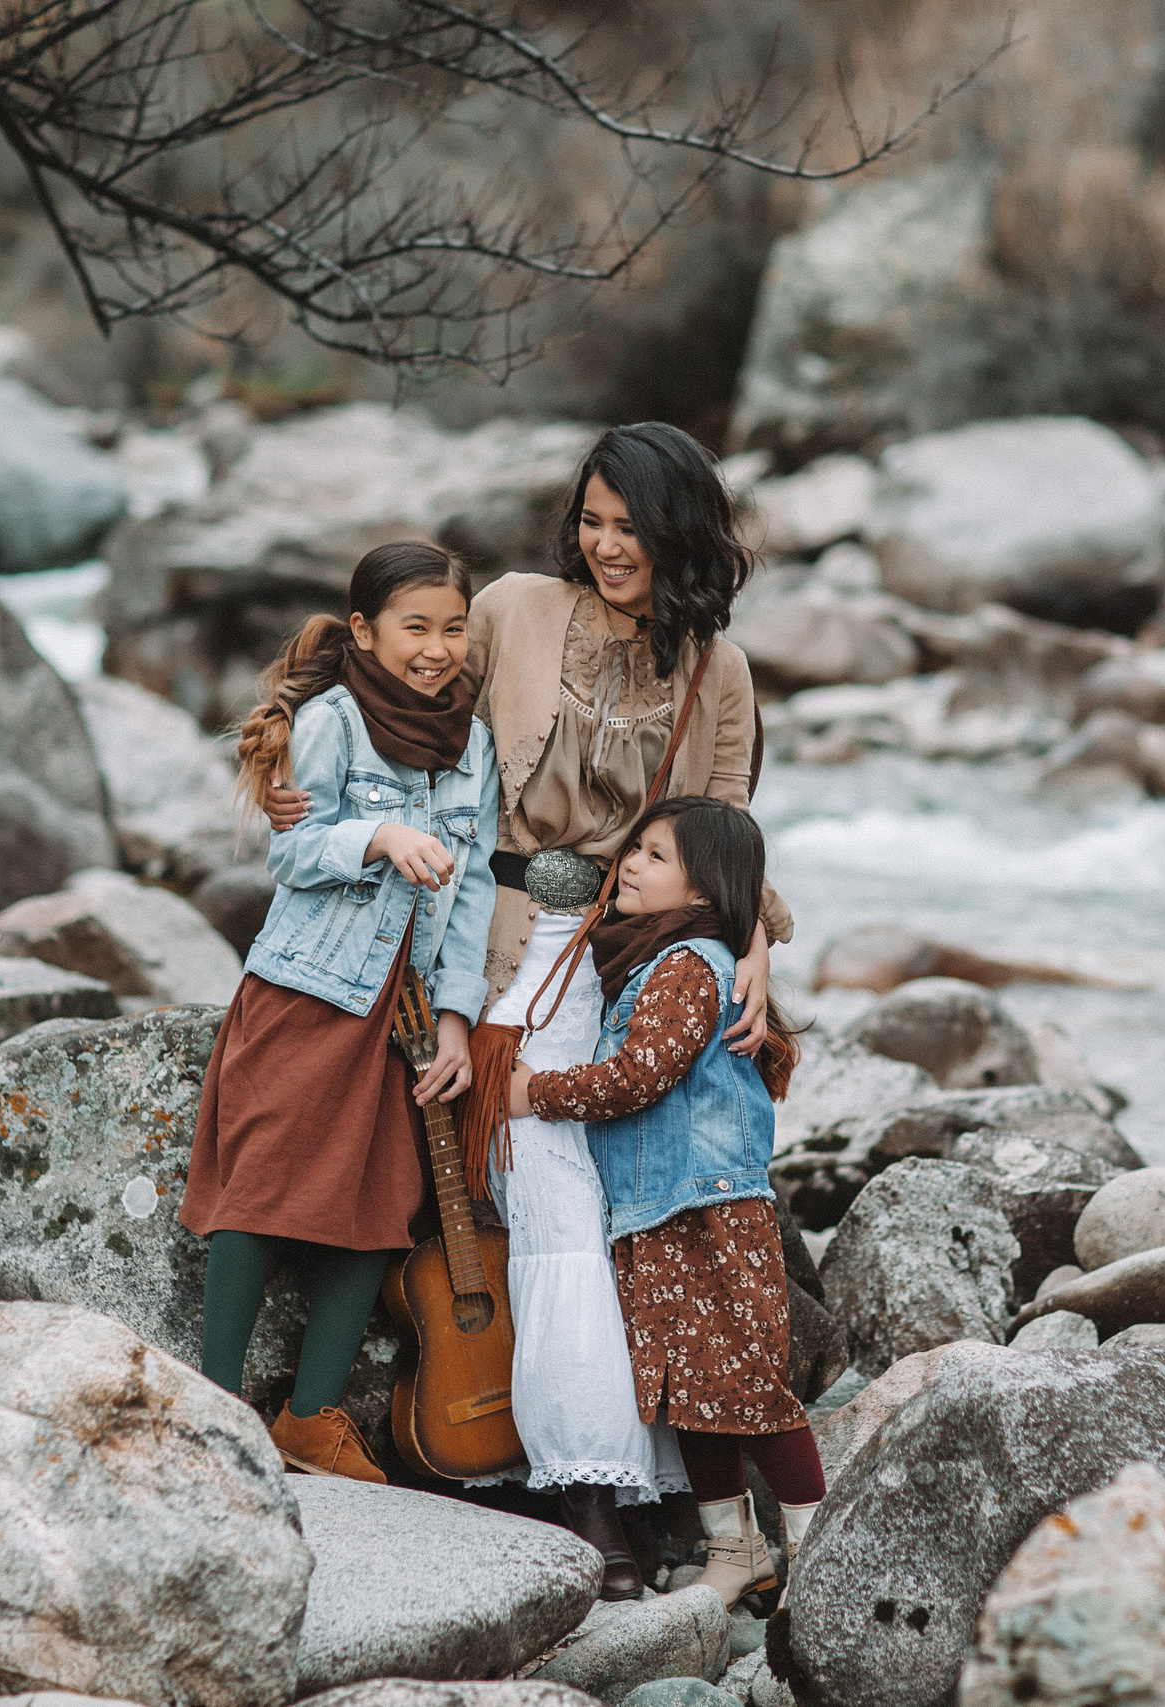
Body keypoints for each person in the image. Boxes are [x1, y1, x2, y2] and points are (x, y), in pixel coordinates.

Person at [267, 422, 788, 1596]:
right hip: (498, 938)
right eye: (591, 520)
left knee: (637, 1201)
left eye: (630, 527)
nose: (605, 545)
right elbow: (396, 679)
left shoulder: (720, 667)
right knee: (549, 1175)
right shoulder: (509, 605)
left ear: (681, 534)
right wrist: (297, 759)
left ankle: (673, 1495)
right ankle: (590, 1489)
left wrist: (753, 949)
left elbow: (728, 838)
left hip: (640, 955)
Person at [181, 540, 497, 1485]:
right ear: (364, 631)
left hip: (401, 1011)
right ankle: (213, 1403)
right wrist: (379, 834)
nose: (437, 648)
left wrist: (457, 1018)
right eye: (416, 628)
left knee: (382, 1205)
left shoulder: (472, 743)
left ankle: (311, 1418)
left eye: (453, 628)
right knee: (262, 1187)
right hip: (310, 988)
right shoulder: (331, 723)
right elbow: (290, 854)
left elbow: (473, 885)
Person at [506, 796, 822, 1608]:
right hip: (659, 1216)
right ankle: (734, 1548)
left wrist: (533, 1091)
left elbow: (640, 1076)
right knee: (687, 1389)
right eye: (634, 850)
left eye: (652, 855)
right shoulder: (653, 959)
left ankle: (820, 1551)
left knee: (750, 1388)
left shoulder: (688, 966)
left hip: (712, 1216)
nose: (629, 865)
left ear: (704, 890)